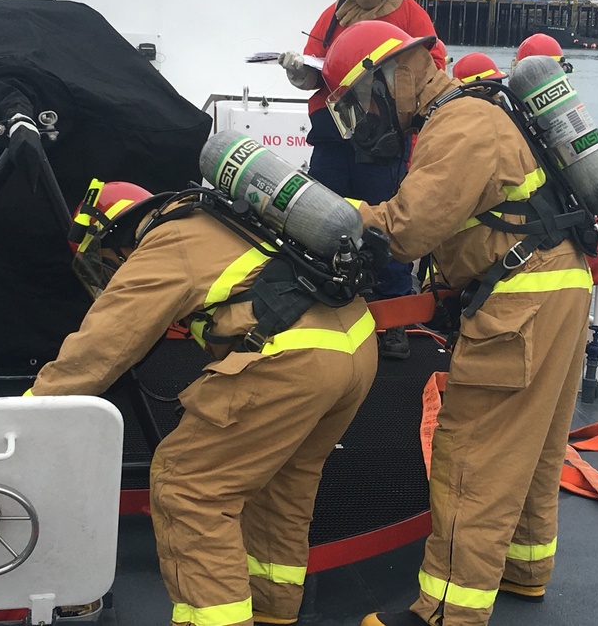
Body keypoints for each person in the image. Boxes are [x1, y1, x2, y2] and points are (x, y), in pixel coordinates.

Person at [320, 20, 593, 626]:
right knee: (536, 445)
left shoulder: (459, 126)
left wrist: (335, 213)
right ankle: (523, 569)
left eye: (362, 101)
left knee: (474, 453)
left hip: (522, 300)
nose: (364, 118)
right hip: (558, 288)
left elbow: (407, 229)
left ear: (400, 73)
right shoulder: (480, 112)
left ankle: (445, 611)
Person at [27, 179, 378, 626]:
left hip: (295, 362)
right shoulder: (223, 218)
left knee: (189, 487)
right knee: (283, 487)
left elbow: (103, 344)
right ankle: (272, 611)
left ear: (117, 234)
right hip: (356, 349)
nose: (112, 269)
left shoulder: (169, 238)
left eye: (108, 260)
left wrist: (33, 408)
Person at [278, 0, 446, 361]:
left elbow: (435, 64)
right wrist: (302, 73)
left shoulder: (409, 14)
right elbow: (318, 65)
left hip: (383, 141)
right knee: (318, 220)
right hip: (334, 137)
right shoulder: (334, 15)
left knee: (386, 230)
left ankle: (393, 323)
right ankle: (319, 303)